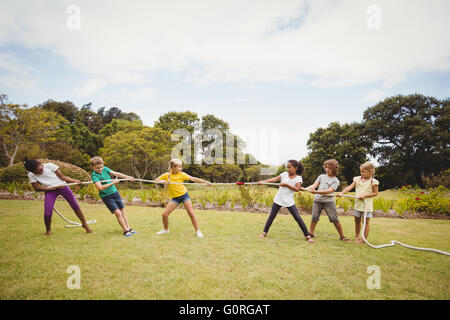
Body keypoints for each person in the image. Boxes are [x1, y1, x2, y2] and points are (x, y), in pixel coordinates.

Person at [24, 159, 92, 236]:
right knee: (47, 213)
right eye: (37, 172)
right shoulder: (31, 174)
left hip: (63, 187)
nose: (40, 172)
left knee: (75, 205)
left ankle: (85, 224)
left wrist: (74, 181)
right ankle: (48, 229)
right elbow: (37, 188)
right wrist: (51, 189)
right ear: (32, 172)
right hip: (50, 191)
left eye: (40, 170)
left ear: (41, 164)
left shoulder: (50, 166)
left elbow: (62, 177)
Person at [257, 160, 314, 243]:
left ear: (295, 168)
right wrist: (263, 182)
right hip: (278, 199)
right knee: (271, 216)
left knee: (297, 218)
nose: (288, 169)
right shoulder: (284, 174)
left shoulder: (298, 178)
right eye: (287, 167)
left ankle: (308, 236)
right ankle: (264, 233)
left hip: (289, 201)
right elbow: (274, 179)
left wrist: (286, 185)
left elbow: (297, 189)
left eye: (289, 167)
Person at [154, 158, 211, 238]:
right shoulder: (167, 175)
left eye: (181, 167)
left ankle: (198, 231)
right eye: (179, 167)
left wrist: (205, 182)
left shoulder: (181, 174)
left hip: (184, 196)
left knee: (191, 213)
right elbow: (156, 180)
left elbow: (193, 179)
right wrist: (162, 181)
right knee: (165, 215)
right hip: (175, 198)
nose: (181, 169)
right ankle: (165, 230)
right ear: (173, 167)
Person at [301, 159, 350, 242]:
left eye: (330, 168)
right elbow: (314, 185)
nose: (327, 169)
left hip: (329, 202)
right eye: (326, 167)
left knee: (334, 218)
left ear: (334, 169)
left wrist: (316, 192)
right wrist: (304, 189)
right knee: (314, 217)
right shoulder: (321, 176)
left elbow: (329, 191)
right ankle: (311, 233)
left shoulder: (335, 180)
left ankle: (342, 236)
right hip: (318, 200)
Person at [90, 156, 137, 237]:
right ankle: (125, 231)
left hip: (115, 193)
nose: (100, 169)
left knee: (122, 212)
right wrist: (113, 183)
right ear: (92, 167)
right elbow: (100, 187)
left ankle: (128, 228)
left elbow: (116, 173)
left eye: (101, 167)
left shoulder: (105, 169)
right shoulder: (94, 176)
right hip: (107, 197)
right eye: (97, 168)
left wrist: (127, 177)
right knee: (118, 213)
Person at [338, 161, 379, 244]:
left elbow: (375, 193)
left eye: (363, 172)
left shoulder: (373, 181)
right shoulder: (357, 179)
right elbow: (350, 187)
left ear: (370, 171)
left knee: (365, 222)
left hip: (366, 206)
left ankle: (363, 240)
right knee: (357, 221)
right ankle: (357, 237)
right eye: (361, 171)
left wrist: (364, 196)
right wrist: (342, 193)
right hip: (358, 205)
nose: (361, 173)